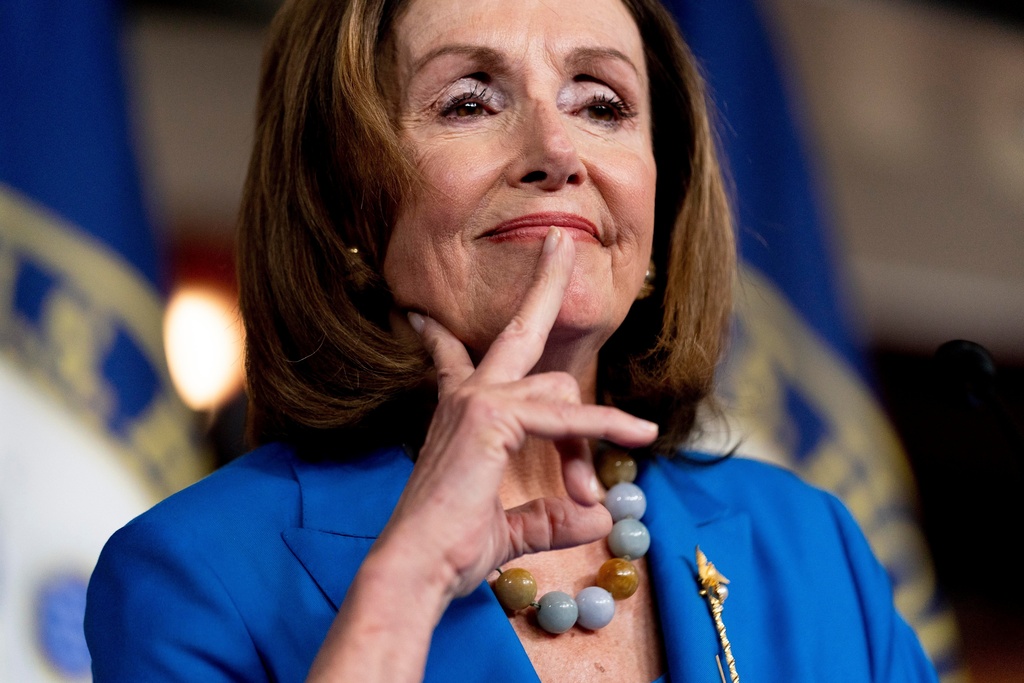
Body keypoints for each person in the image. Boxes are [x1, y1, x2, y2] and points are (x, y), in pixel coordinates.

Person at [85, 0, 939, 680]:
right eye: (468, 102)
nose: (557, 151)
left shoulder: (813, 547)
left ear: (660, 209)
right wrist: (409, 578)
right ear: (345, 203)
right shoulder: (194, 572)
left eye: (600, 104)